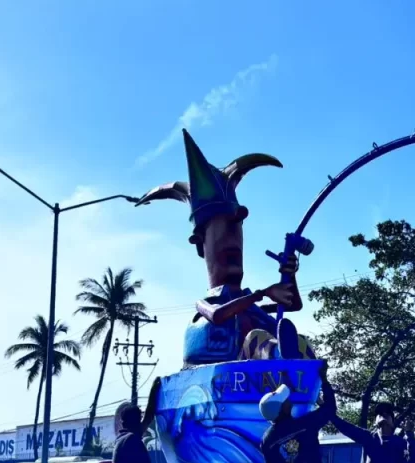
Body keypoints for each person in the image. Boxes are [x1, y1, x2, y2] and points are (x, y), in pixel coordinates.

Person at [133, 129, 315, 365]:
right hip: (234, 372)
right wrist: (262, 294)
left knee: (301, 342)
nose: (233, 242)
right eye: (223, 232)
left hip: (263, 379)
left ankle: (306, 376)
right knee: (257, 340)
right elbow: (218, 315)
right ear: (201, 245)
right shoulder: (205, 305)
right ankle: (280, 361)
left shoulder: (249, 306)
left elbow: (292, 304)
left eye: (235, 231)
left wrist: (289, 275)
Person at [327, 402, 415, 463]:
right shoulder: (369, 437)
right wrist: (327, 410)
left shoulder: (399, 442)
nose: (383, 415)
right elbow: (345, 427)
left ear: (393, 423)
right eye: (380, 414)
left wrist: (410, 434)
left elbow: (412, 460)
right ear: (375, 422)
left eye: (387, 414)